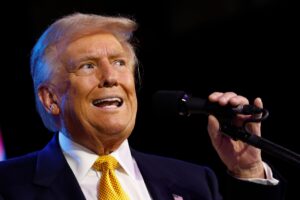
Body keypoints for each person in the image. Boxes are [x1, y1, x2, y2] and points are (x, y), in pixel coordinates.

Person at [0, 13, 285, 200]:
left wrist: (248, 170)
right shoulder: (9, 186)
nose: (110, 77)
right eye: (88, 66)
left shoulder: (195, 183)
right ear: (50, 99)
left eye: (119, 63)